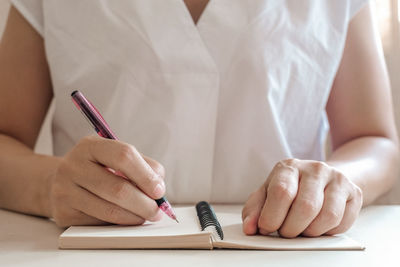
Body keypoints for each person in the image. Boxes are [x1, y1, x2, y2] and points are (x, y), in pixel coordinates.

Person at [0, 0, 398, 239]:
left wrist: (334, 185)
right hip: (98, 251)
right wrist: (50, 186)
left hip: (285, 248)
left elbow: (376, 141)